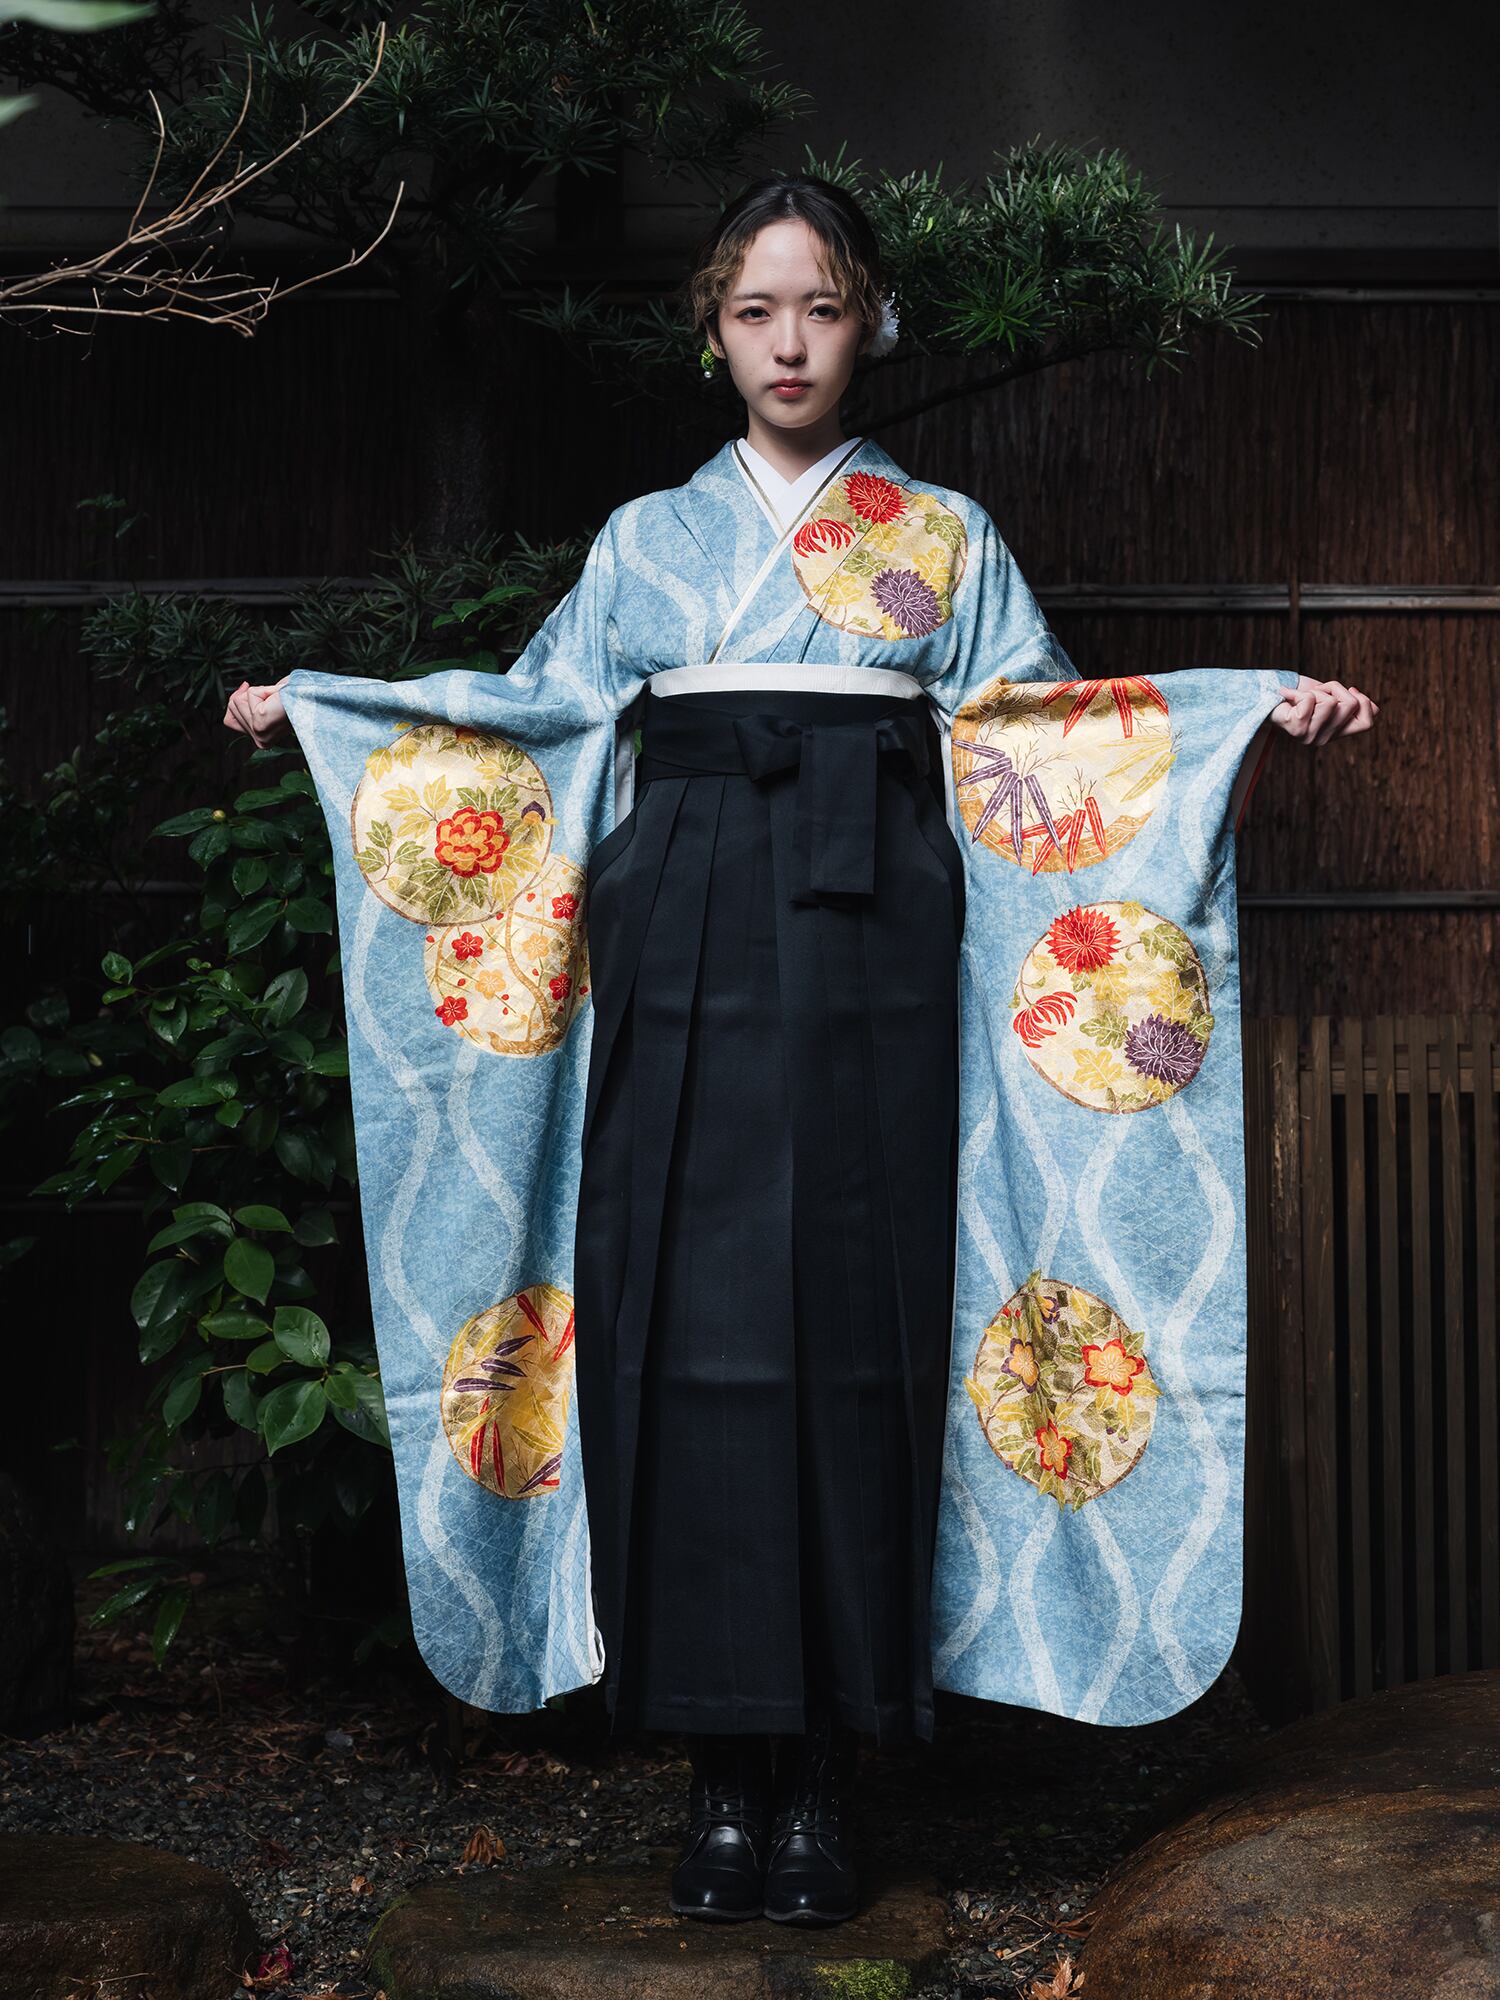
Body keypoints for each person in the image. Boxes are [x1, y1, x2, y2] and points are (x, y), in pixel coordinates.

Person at [226, 173, 1376, 1929]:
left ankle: (826, 1769)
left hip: (877, 952)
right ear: (713, 330)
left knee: (858, 1326)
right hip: (679, 934)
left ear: (869, 328)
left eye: (822, 309)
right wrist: (327, 714)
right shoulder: (646, 543)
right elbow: (534, 720)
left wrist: (1238, 715)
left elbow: (1046, 738)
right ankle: (722, 1772)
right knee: (682, 1327)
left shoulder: (945, 538)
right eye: (756, 310)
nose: (789, 343)